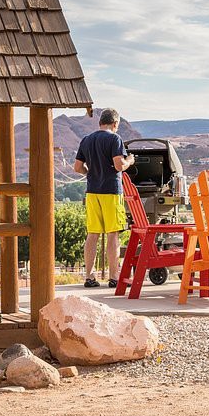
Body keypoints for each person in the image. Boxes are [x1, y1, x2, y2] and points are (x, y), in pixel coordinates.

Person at [73, 108, 135, 288]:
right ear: (115, 124)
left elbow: (77, 167)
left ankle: (89, 276)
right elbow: (118, 165)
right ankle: (114, 276)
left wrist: (90, 173)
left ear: (101, 122)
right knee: (113, 234)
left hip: (92, 192)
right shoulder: (115, 139)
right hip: (111, 191)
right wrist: (129, 160)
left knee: (92, 234)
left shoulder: (87, 140)